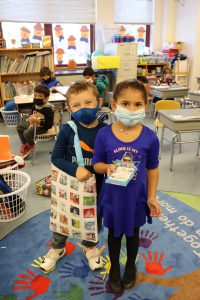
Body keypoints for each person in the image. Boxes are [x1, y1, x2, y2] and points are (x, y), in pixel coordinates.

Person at [92, 79, 161, 293]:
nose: (131, 109)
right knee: (113, 235)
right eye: (125, 103)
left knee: (132, 234)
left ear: (146, 106)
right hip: (112, 198)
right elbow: (96, 164)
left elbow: (152, 169)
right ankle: (114, 268)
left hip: (136, 199)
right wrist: (107, 168)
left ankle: (130, 266)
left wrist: (151, 197)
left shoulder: (150, 138)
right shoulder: (103, 135)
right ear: (114, 105)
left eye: (138, 104)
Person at [39, 81, 106, 273]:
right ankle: (58, 247)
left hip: (98, 187)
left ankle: (89, 247)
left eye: (88, 103)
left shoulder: (105, 130)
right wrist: (75, 169)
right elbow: (56, 157)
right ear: (69, 107)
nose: (83, 109)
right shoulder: (68, 129)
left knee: (94, 218)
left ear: (98, 102)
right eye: (76, 105)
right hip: (69, 187)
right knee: (64, 217)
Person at [17, 84, 54, 154]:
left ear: (46, 98)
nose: (36, 98)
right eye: (35, 95)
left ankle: (30, 145)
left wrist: (38, 121)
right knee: (19, 127)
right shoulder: (35, 104)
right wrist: (31, 122)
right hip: (33, 124)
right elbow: (32, 114)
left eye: (40, 96)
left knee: (26, 133)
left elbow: (49, 125)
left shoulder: (48, 109)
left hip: (43, 127)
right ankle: (25, 144)